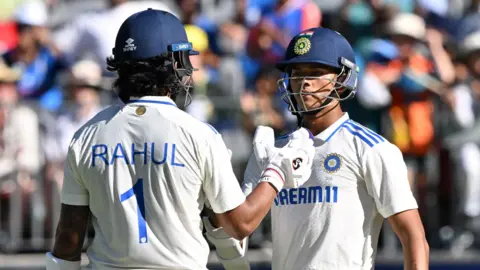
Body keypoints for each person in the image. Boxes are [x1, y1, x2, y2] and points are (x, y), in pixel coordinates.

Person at [45, 9, 315, 270]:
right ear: (172, 64)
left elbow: (68, 241)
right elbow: (240, 225)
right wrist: (277, 171)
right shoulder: (197, 134)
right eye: (183, 60)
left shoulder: (86, 136)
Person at [208, 27, 430, 270]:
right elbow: (236, 235)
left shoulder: (371, 149)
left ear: (343, 79)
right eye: (297, 73)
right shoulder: (273, 150)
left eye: (316, 72)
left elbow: (413, 237)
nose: (304, 82)